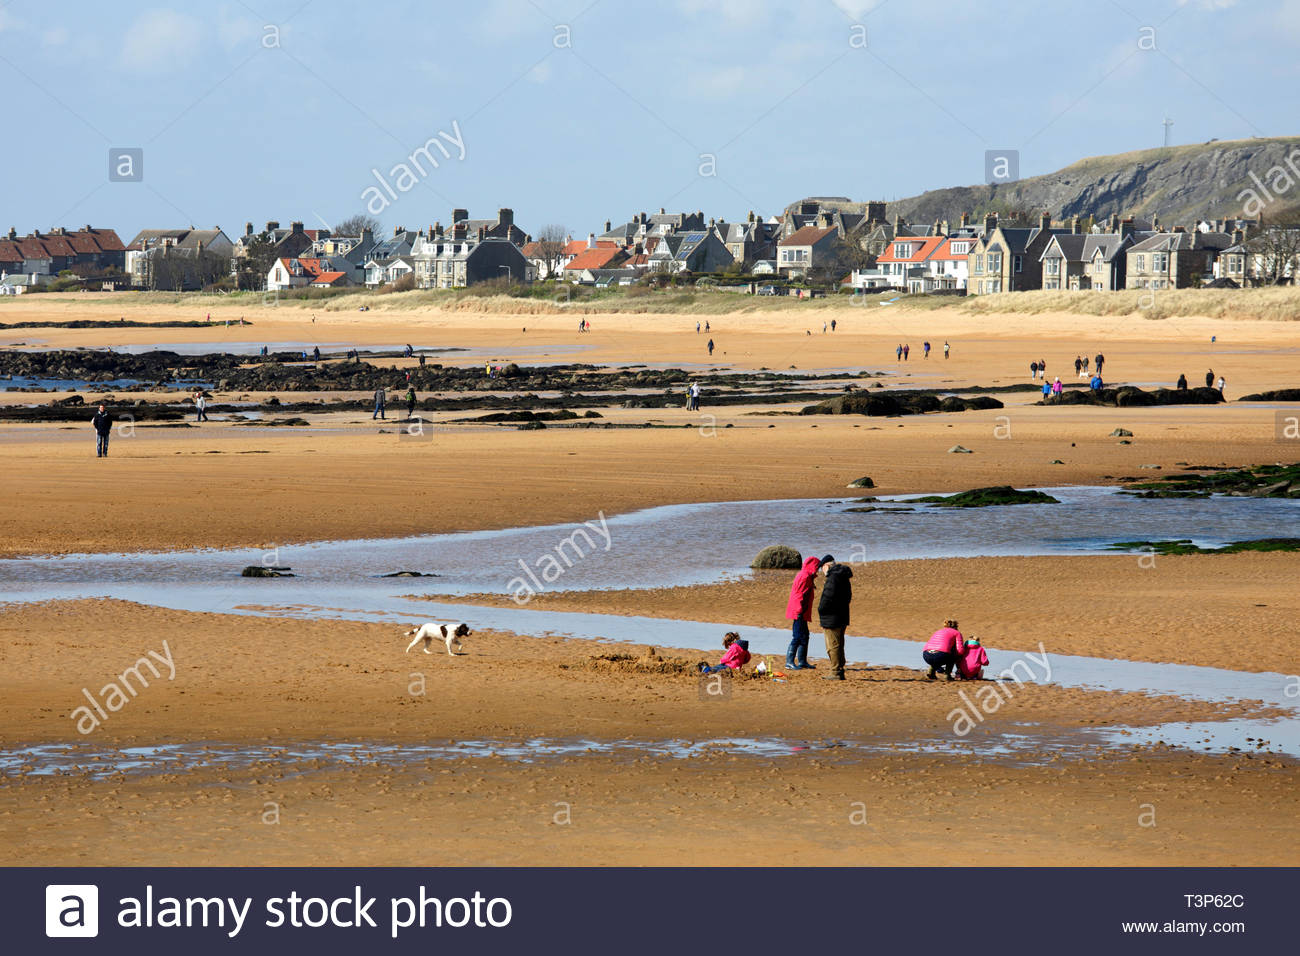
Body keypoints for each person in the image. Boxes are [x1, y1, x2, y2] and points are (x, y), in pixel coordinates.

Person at [817, 555, 852, 681]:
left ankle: (836, 671)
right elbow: (848, 596)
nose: (822, 571)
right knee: (839, 644)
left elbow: (827, 596)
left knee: (833, 646)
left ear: (827, 566)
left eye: (822, 568)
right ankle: (839, 669)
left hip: (832, 617)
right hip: (842, 615)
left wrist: (821, 609)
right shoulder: (843, 576)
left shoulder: (833, 577)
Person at [784, 555, 822, 670]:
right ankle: (789, 662)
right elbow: (798, 595)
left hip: (802, 611)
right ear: (812, 566)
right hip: (798, 611)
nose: (818, 570)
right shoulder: (804, 576)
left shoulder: (808, 576)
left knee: (805, 635)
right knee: (797, 636)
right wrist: (799, 611)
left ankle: (802, 661)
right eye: (817, 567)